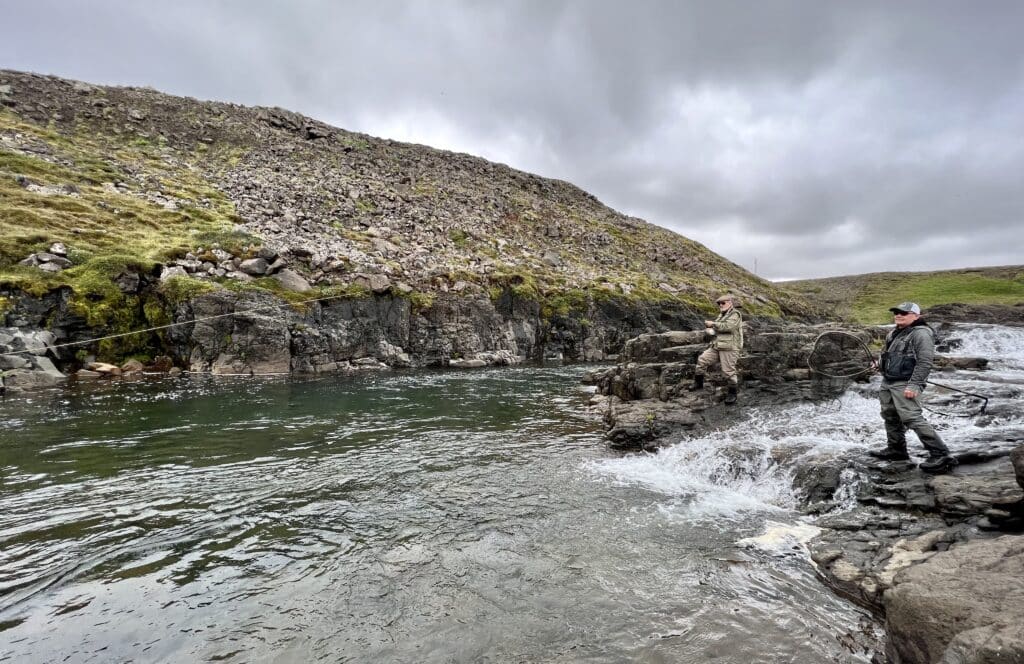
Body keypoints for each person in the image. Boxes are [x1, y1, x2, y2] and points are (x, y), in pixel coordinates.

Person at [869, 302, 957, 473]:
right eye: (896, 312)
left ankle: (941, 454)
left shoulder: (922, 334)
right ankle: (897, 451)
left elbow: (925, 362)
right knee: (890, 416)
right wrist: (879, 364)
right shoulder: (893, 332)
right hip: (888, 381)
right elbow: (888, 355)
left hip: (906, 382)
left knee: (911, 417)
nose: (898, 315)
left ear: (917, 316)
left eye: (904, 313)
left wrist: (915, 384)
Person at [688, 293, 743, 404]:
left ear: (730, 303)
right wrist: (711, 329)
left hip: (730, 347)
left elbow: (729, 327)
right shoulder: (722, 315)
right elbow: (719, 329)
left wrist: (713, 324)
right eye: (719, 303)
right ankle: (698, 383)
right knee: (702, 360)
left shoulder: (735, 314)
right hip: (717, 345)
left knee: (728, 372)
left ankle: (732, 393)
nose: (720, 305)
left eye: (723, 303)